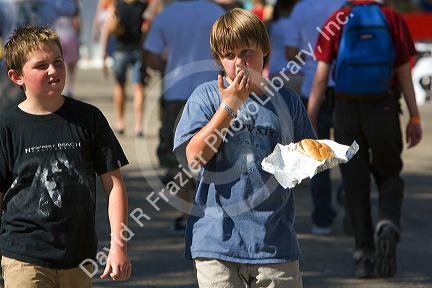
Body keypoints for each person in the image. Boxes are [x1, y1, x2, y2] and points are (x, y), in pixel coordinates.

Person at [174, 8, 316, 287]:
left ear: (265, 49)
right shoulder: (205, 97)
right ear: (218, 59)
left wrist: (315, 158)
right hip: (216, 243)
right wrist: (229, 106)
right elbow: (193, 158)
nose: (239, 62)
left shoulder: (287, 102)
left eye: (247, 52)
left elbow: (306, 164)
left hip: (275, 243)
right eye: (229, 55)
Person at [0, 25, 131, 287]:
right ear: (16, 77)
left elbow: (114, 185)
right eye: (41, 66)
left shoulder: (89, 119)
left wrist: (119, 246)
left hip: (78, 258)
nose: (53, 70)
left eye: (58, 62)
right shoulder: (7, 126)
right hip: (23, 256)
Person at [307, 0, 423, 278]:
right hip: (383, 107)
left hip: (346, 110)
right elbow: (403, 71)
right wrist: (414, 117)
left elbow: (321, 78)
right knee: (389, 174)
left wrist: (310, 118)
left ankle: (363, 254)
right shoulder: (392, 18)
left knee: (354, 182)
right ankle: (387, 223)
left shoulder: (338, 18)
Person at [144, 0, 224, 233]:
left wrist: (171, 63)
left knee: (179, 153)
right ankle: (212, 207)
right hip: (214, 91)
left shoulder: (166, 15)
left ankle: (185, 212)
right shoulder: (217, 12)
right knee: (215, 151)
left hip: (176, 92)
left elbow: (152, 58)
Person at [284, 0, 346, 235]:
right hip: (346, 88)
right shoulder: (344, 5)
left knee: (318, 158)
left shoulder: (301, 8)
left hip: (312, 89)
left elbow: (290, 51)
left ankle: (322, 218)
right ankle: (350, 201)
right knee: (351, 151)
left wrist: (313, 57)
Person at [101, 0, 148, 137]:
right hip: (138, 50)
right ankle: (138, 126)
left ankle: (120, 122)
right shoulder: (142, 6)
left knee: (119, 86)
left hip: (120, 51)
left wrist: (104, 53)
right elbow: (147, 28)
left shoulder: (116, 5)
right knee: (138, 87)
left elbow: (107, 29)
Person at [53, 0, 81, 97]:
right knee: (72, 65)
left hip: (56, 36)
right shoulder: (73, 5)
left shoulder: (54, 3)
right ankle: (69, 87)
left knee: (58, 63)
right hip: (70, 36)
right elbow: (77, 23)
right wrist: (79, 36)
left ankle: (60, 87)